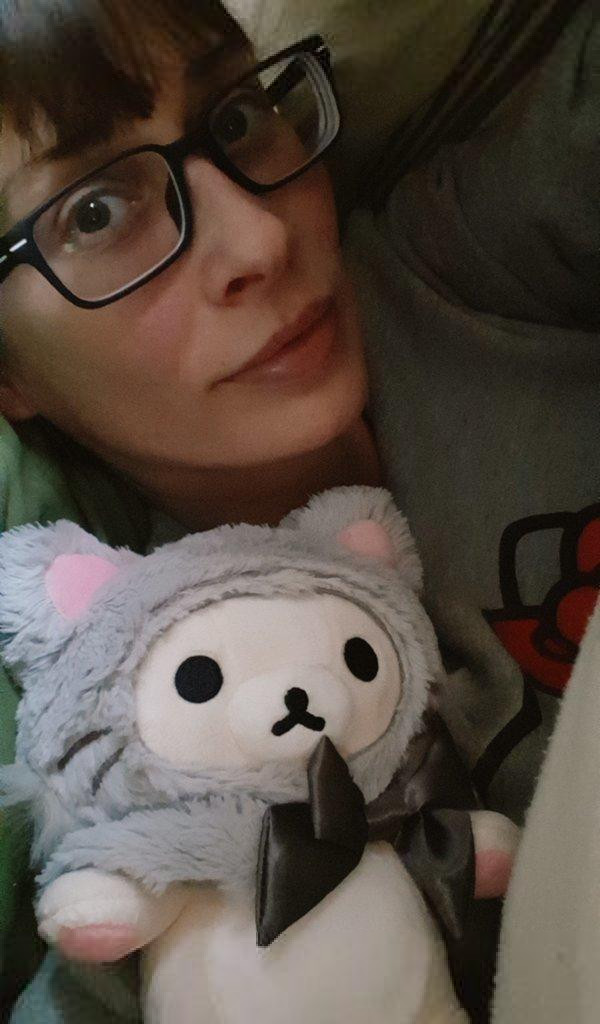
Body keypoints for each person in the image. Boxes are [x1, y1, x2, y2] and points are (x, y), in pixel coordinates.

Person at [0, 0, 597, 1020]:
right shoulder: (141, 731)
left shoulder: (467, 275)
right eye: (95, 213)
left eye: (237, 120)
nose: (261, 236)